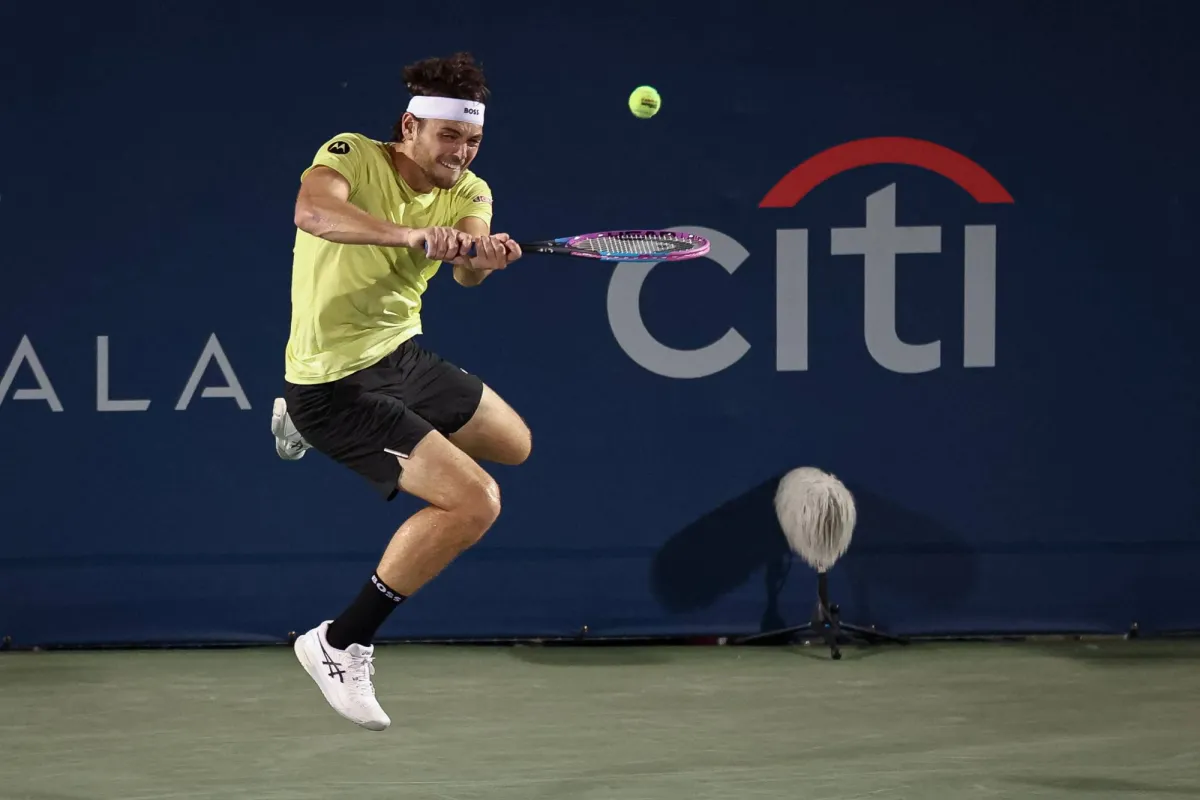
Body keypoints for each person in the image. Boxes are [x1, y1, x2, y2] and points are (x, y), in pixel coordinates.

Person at [271, 52, 531, 732]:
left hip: (399, 355)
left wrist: (481, 259)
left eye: (472, 140)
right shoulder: (352, 155)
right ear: (411, 127)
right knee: (475, 502)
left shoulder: (469, 190)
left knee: (515, 444)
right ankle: (340, 642)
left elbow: (467, 267)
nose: (461, 153)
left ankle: (303, 428)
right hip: (332, 384)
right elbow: (313, 212)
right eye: (449, 137)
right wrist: (412, 234)